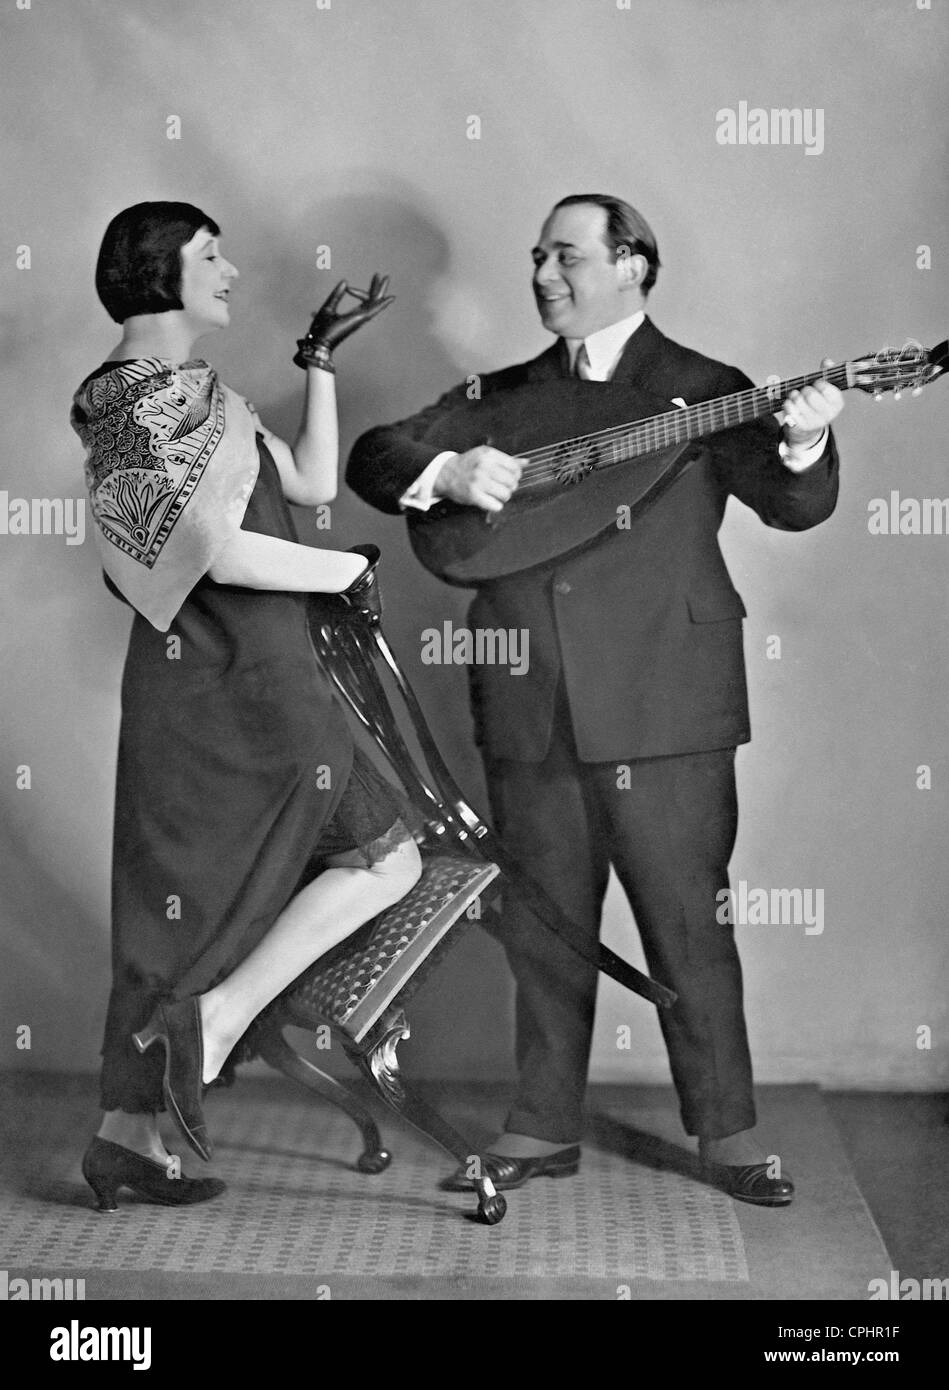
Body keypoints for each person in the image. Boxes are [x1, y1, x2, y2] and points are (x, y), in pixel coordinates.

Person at [346, 193, 844, 1205]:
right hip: (531, 700)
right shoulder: (500, 393)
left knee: (685, 921)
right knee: (544, 924)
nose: (542, 274)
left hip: (666, 704)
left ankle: (728, 1130)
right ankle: (538, 1125)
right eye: (535, 257)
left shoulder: (708, 388)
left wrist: (802, 441)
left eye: (566, 256)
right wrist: (448, 465)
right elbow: (375, 456)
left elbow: (795, 504)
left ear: (634, 265)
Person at [71, 201, 421, 1212]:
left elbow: (310, 483)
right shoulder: (126, 404)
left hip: (266, 679)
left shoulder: (207, 395)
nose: (229, 268)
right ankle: (186, 1059)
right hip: (217, 689)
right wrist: (341, 572)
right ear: (155, 273)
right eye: (208, 254)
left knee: (263, 883)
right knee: (202, 899)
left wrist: (318, 363)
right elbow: (210, 552)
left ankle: (151, 1101)